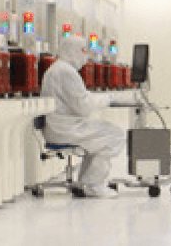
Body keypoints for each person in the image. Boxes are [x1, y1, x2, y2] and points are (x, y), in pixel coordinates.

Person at [42, 43, 126, 198]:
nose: (85, 57)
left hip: (61, 125)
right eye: (82, 51)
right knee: (114, 135)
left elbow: (80, 98)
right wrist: (106, 99)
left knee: (103, 136)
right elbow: (83, 107)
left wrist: (99, 98)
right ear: (71, 50)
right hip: (65, 128)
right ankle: (94, 186)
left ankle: (86, 183)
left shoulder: (58, 68)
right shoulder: (66, 71)